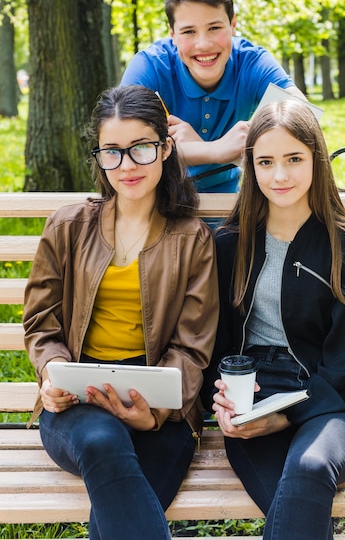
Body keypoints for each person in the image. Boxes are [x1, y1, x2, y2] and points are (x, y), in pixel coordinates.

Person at [23, 85, 219, 540]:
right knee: (102, 441)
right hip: (78, 396)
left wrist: (153, 414)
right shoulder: (69, 226)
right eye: (112, 151)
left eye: (141, 149)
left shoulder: (192, 239)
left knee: (120, 506)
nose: (126, 165)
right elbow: (41, 321)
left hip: (159, 402)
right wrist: (52, 373)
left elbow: (192, 347)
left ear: (166, 148)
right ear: (98, 155)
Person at [201, 100, 345, 540]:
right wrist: (224, 405)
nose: (279, 176)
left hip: (332, 402)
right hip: (255, 399)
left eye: (294, 159)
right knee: (290, 502)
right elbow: (216, 345)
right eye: (266, 162)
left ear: (316, 160)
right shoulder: (229, 243)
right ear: (251, 167)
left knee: (309, 469)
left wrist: (285, 418)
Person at [120, 0, 305, 192]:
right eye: (189, 32)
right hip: (158, 201)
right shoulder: (150, 66)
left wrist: (246, 139)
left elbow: (304, 115)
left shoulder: (251, 62)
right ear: (172, 34)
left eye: (214, 28)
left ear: (232, 24)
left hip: (230, 201)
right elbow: (125, 146)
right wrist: (215, 150)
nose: (204, 44)